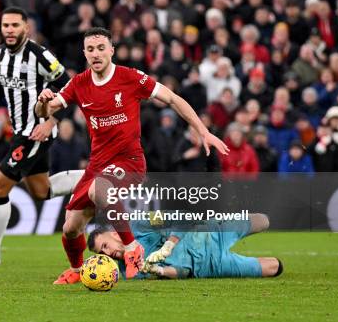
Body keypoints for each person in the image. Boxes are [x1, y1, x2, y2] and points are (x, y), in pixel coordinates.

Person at [35, 27, 229, 284]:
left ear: (111, 50)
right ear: (84, 53)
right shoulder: (79, 83)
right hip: (97, 164)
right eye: (90, 49)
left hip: (130, 162)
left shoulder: (130, 77)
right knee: (70, 228)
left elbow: (171, 98)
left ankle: (131, 247)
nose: (96, 54)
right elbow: (44, 111)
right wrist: (43, 100)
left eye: (101, 48)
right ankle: (78, 270)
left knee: (98, 190)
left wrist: (203, 131)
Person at [0, 7, 84, 272]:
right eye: (6, 25)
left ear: (26, 28)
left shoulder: (39, 55)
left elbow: (69, 86)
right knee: (41, 191)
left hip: (37, 130)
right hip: (20, 131)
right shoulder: (0, 56)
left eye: (15, 25)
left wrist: (53, 121)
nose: (10, 30)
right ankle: (90, 178)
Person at [87, 213, 282, 279]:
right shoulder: (131, 272)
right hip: (209, 266)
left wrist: (168, 246)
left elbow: (180, 216)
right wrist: (159, 271)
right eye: (101, 252)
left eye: (104, 245)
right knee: (275, 267)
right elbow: (183, 273)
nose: (107, 253)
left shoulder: (141, 223)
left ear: (114, 234)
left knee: (263, 221)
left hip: (209, 233)